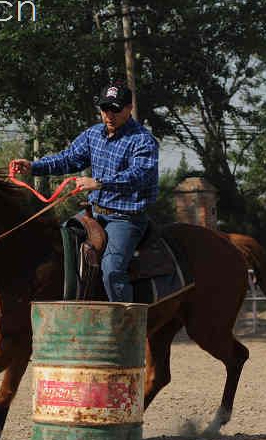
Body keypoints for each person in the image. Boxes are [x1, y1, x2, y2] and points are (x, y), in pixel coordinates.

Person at [11, 80, 159, 303]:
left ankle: (127, 326)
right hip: (93, 214)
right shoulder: (93, 135)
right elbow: (67, 159)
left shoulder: (143, 141)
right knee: (58, 245)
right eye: (104, 108)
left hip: (126, 219)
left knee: (111, 269)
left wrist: (98, 183)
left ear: (129, 109)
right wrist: (33, 166)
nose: (109, 114)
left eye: (116, 109)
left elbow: (138, 176)